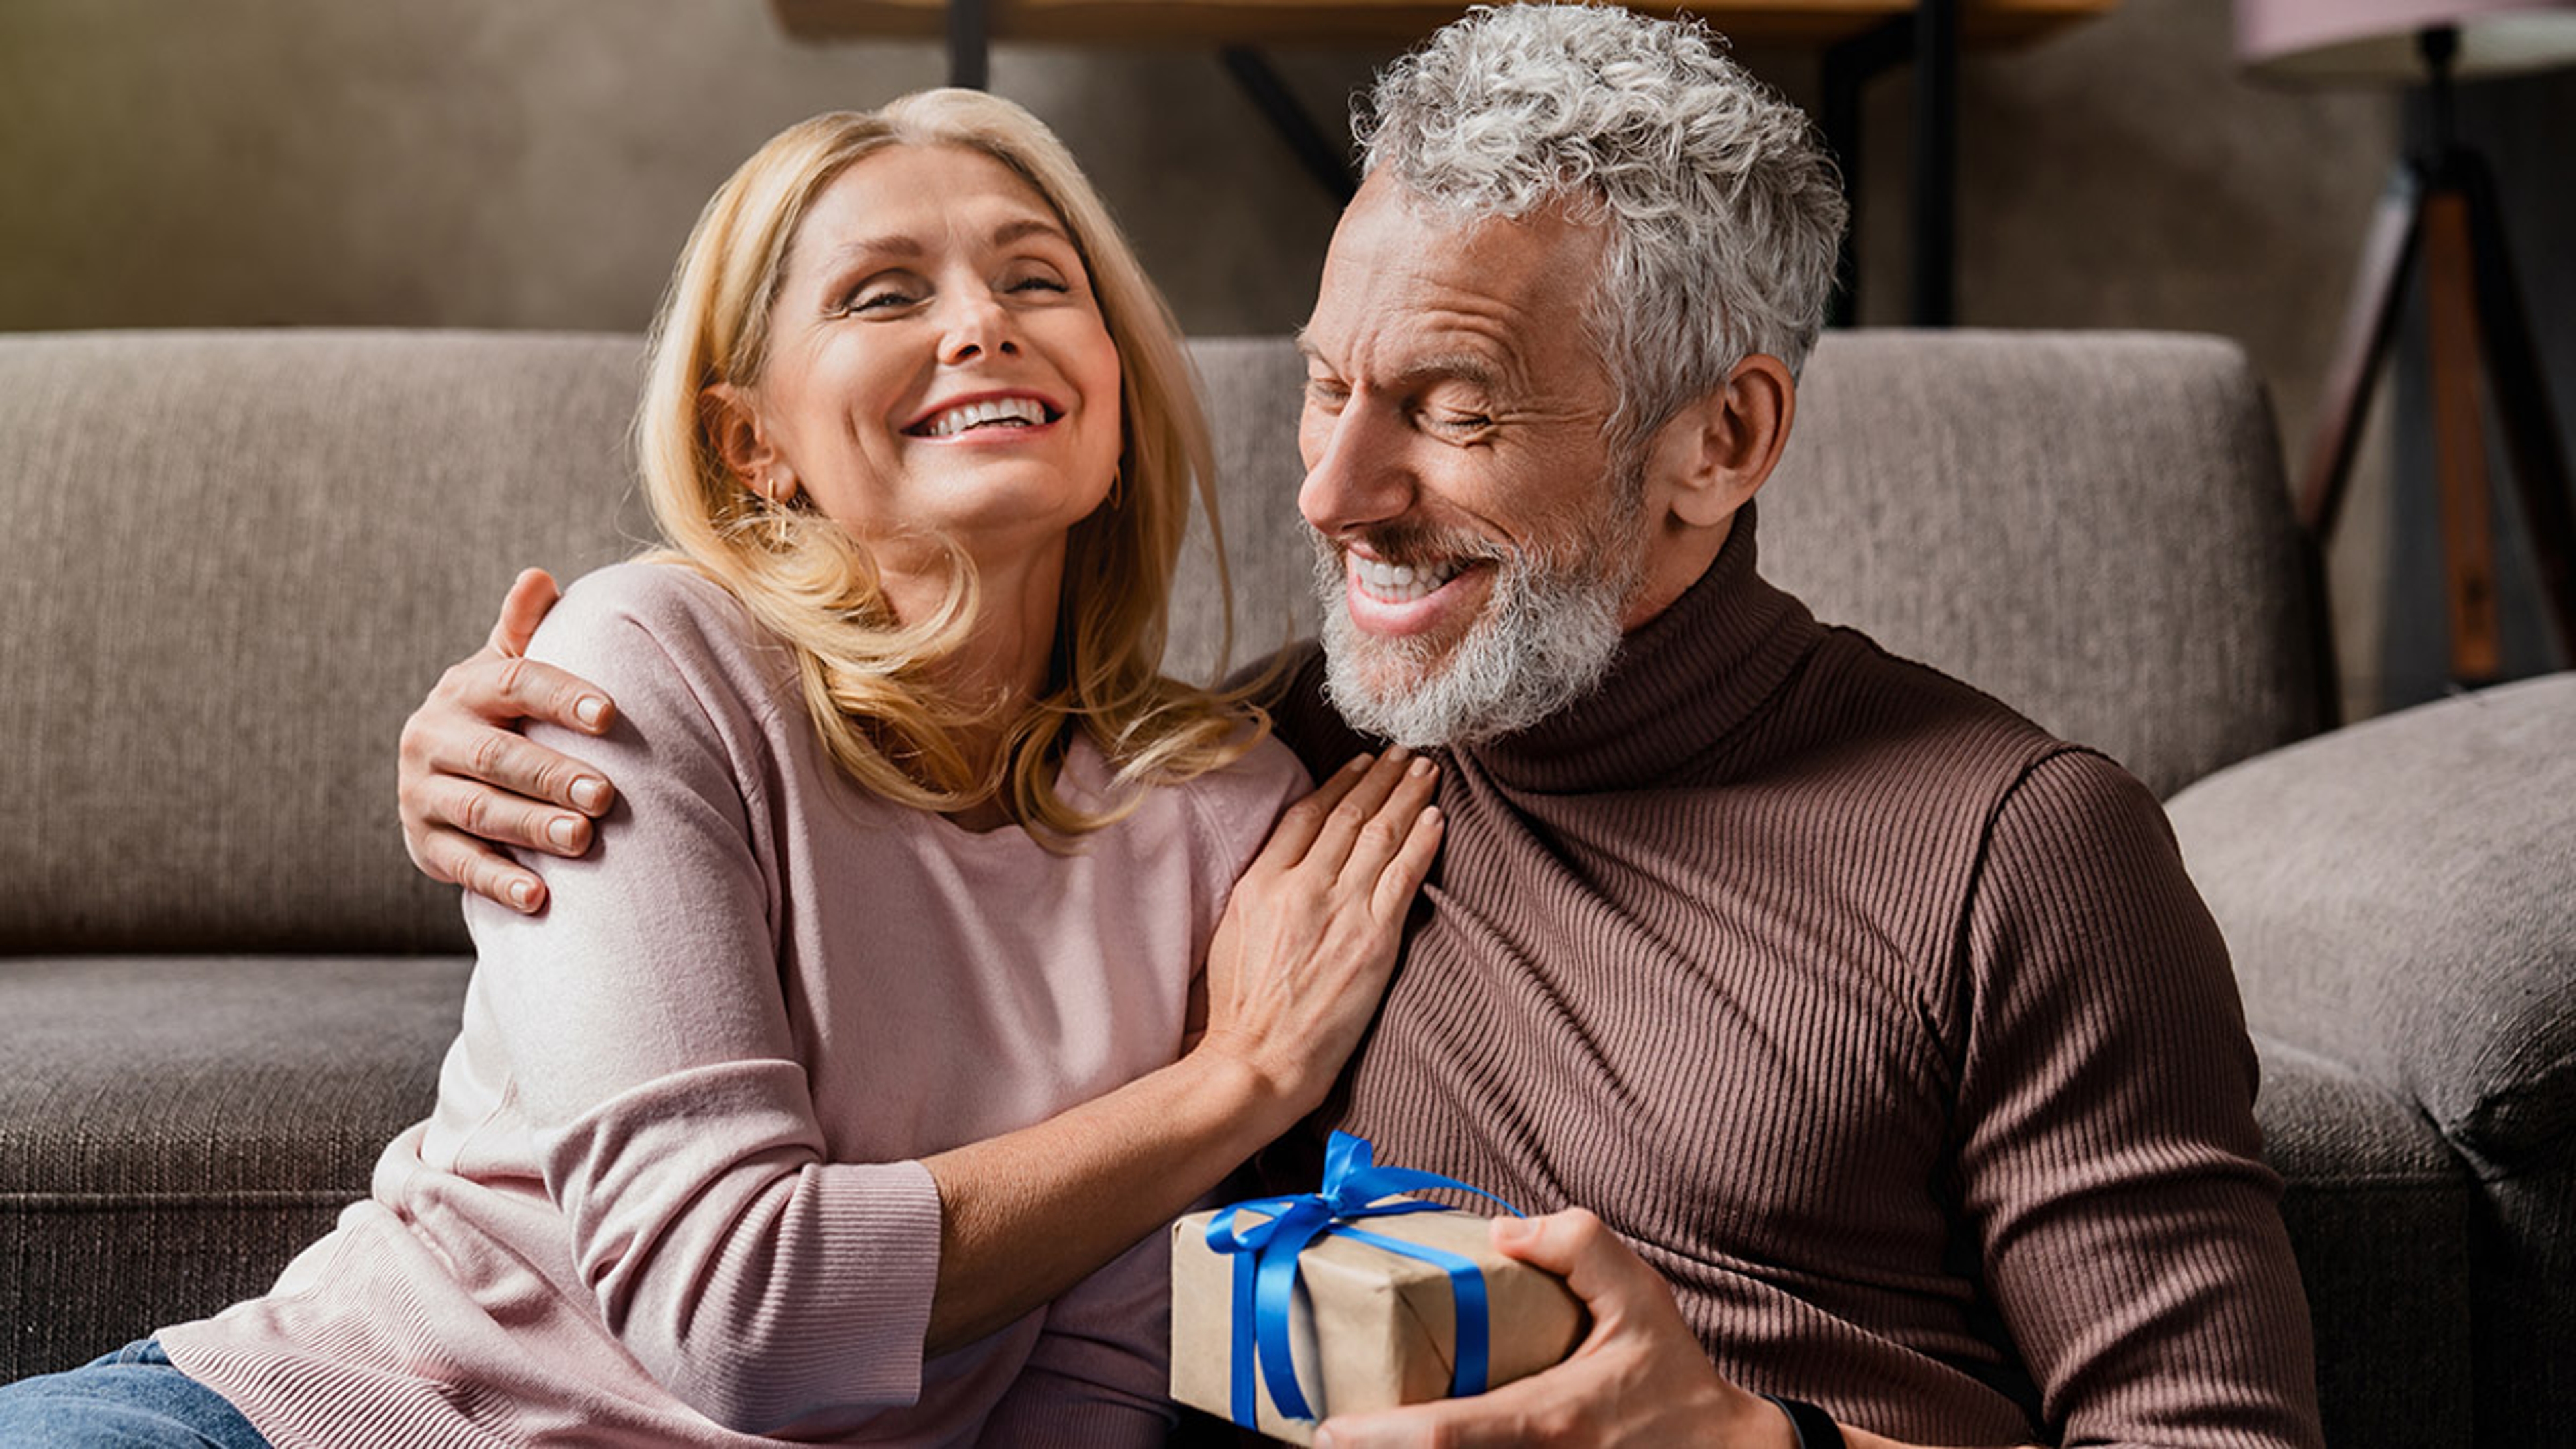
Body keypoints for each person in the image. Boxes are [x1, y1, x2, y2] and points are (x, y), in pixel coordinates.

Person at [394, 8, 2329, 1448]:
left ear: (1718, 441)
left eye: (1455, 411)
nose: (1332, 491)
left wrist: (1747, 1441)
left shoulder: (2020, 846)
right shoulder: (1264, 779)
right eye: (1324, 390)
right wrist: (484, 760)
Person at [0, 91, 1449, 1448]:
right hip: (341, 1417)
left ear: (1113, 391)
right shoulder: (647, 661)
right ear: (753, 444)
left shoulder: (1228, 810)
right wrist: (1237, 1078)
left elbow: (1098, 1372)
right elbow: (735, 1310)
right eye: (885, 293)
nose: (983, 325)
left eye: (1037, 280)